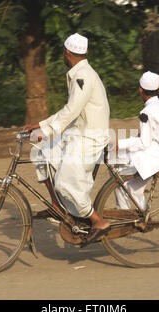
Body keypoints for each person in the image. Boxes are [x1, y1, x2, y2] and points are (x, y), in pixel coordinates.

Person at [23, 33, 111, 246]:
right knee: (41, 152)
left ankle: (98, 222)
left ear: (67, 52)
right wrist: (42, 126)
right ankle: (56, 206)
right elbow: (70, 110)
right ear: (85, 52)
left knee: (65, 184)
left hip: (88, 138)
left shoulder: (83, 76)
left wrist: (50, 129)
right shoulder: (81, 73)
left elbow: (72, 110)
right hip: (77, 133)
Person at [112, 71, 159, 210]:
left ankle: (123, 213)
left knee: (114, 164)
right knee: (132, 187)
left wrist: (119, 144)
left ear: (140, 90)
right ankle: (139, 213)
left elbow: (144, 143)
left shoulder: (147, 112)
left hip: (151, 156)